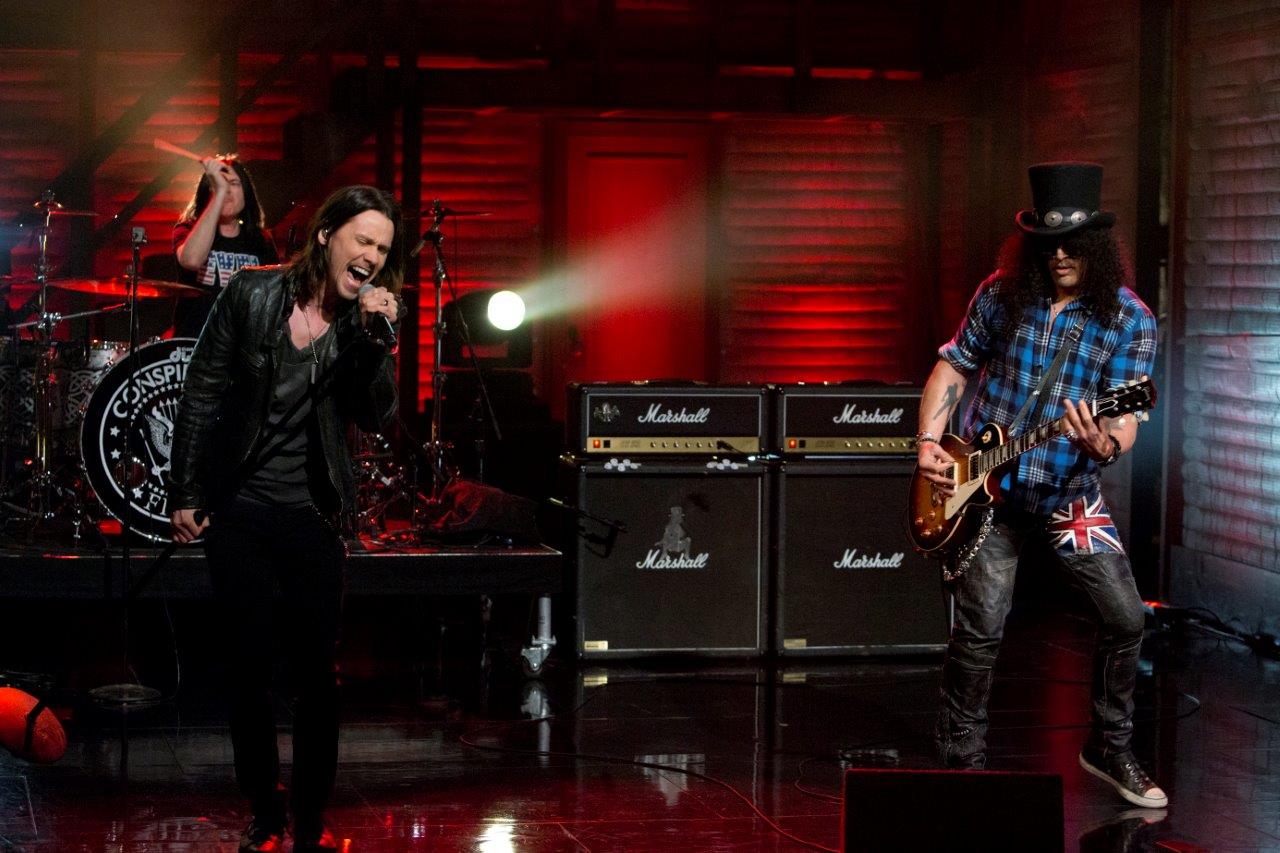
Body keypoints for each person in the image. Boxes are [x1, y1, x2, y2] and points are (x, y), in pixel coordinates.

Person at [915, 162, 1166, 808]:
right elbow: (952, 368)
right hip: (985, 493)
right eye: (1048, 243)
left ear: (1098, 247)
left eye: (1073, 244)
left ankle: (1108, 745)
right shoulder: (1002, 294)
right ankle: (961, 758)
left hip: (1068, 494)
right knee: (980, 629)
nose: (1059, 255)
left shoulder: (1129, 320)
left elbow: (1124, 424)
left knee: (1126, 617)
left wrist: (1102, 443)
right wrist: (928, 445)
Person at [167, 185, 405, 852]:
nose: (372, 257)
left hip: (314, 514)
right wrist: (184, 489)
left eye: (383, 249)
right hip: (241, 509)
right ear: (327, 235)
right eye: (363, 240)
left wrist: (375, 342)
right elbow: (201, 390)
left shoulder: (366, 321)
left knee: (317, 675)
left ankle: (309, 815)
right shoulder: (251, 294)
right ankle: (265, 809)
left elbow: (376, 414)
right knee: (247, 668)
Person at [172, 155, 278, 337]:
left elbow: (274, 295)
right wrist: (219, 194)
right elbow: (191, 260)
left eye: (234, 184)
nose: (226, 189)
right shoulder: (188, 229)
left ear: (246, 192)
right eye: (218, 184)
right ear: (207, 192)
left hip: (241, 343)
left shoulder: (261, 239)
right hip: (195, 341)